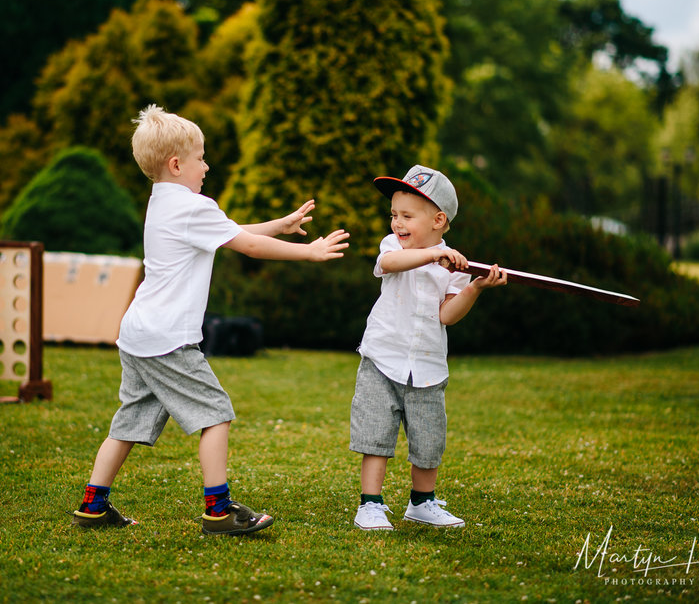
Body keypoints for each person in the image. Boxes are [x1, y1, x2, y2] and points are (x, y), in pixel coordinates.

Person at [71, 104, 350, 535]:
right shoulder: (193, 206)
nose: (207, 165)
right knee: (216, 415)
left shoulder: (165, 202)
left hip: (138, 334)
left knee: (127, 424)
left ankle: (93, 504)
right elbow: (246, 245)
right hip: (168, 339)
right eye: (201, 157)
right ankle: (218, 510)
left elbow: (229, 229)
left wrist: (282, 223)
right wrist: (309, 251)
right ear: (177, 164)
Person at [350, 164, 506, 531]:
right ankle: (370, 504)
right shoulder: (394, 248)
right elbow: (389, 263)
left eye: (407, 216)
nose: (397, 224)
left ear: (438, 219)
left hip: (427, 367)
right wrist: (432, 257)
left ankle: (422, 502)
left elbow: (448, 316)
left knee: (429, 438)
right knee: (375, 435)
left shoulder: (456, 265)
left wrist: (474, 288)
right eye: (394, 215)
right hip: (382, 359)